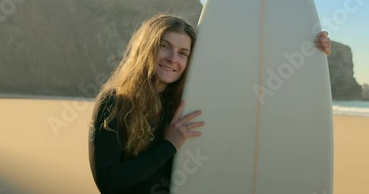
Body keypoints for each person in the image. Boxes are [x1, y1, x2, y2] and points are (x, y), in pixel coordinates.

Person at [88, 13, 331, 194]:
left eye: (183, 53)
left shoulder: (184, 102)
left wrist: (309, 53)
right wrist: (168, 145)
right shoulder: (115, 102)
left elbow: (255, 86)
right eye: (165, 47)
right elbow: (108, 182)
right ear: (146, 50)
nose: (173, 59)